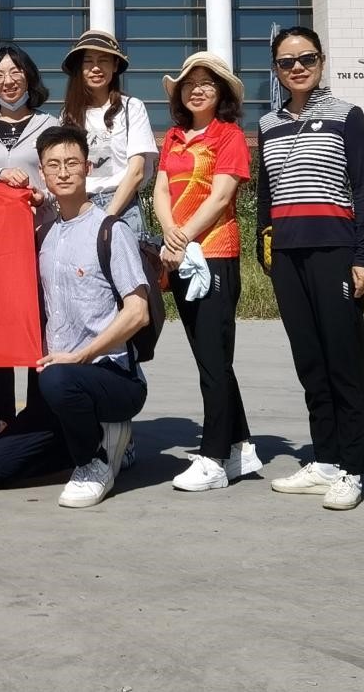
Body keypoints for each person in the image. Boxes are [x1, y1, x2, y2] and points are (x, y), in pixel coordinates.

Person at [0, 125, 150, 508]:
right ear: (42, 172)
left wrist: (81, 355)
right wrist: (2, 181)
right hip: (60, 385)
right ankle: (101, 440)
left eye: (72, 163)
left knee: (56, 378)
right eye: (53, 165)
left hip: (110, 377)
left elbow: (138, 312)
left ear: (88, 168)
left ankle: (94, 463)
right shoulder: (46, 234)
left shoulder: (110, 230)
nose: (64, 172)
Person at [256, 26, 364, 512]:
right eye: (287, 62)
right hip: (287, 255)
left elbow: (363, 190)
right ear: (276, 70)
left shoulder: (347, 116)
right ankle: (324, 459)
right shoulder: (268, 124)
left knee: (343, 362)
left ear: (321, 61)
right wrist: (264, 248)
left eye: (306, 58)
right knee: (309, 361)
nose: (297, 68)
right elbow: (265, 195)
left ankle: (352, 468)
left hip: (334, 251)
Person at [155, 52, 261, 491]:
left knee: (214, 361)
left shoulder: (229, 136)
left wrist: (182, 237)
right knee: (208, 357)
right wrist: (170, 233)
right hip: (181, 256)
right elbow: (161, 189)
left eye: (207, 83)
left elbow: (220, 198)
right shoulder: (174, 137)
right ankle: (240, 447)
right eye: (189, 83)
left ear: (221, 94)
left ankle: (214, 458)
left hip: (214, 254)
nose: (197, 89)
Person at [0, 44, 60, 432]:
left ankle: (38, 411)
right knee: (0, 326)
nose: (8, 81)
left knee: (40, 324)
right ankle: (3, 414)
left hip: (42, 237)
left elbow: (62, 179)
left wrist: (41, 196)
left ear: (29, 78)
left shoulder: (50, 126)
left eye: (15, 72)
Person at [58, 29, 158, 233]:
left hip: (123, 207)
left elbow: (137, 171)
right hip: (80, 206)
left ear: (115, 66)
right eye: (88, 61)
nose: (96, 68)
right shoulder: (68, 115)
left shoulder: (132, 107)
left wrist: (107, 216)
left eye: (103, 60)